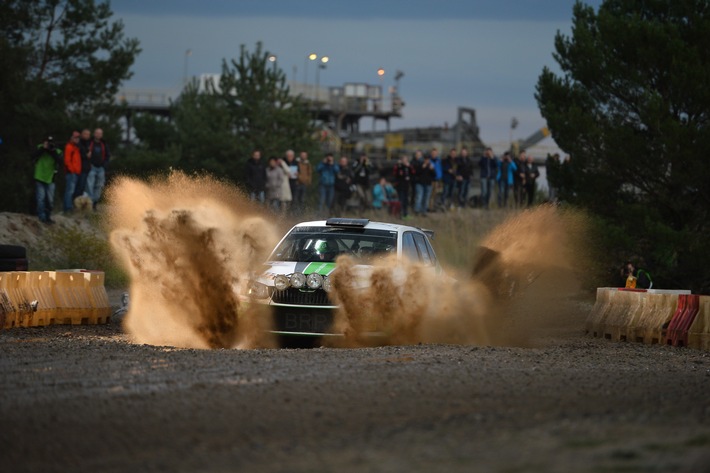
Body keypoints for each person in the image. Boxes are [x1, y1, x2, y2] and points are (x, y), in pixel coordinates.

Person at [32, 135, 63, 224]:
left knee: (50, 200)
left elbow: (60, 162)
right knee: (40, 198)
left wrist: (51, 151)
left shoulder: (57, 151)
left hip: (51, 178)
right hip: (39, 176)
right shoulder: (39, 148)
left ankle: (48, 216)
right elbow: (32, 156)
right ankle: (42, 217)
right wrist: (43, 149)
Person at [85, 128, 110, 210]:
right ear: (94, 134)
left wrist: (104, 165)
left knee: (99, 186)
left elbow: (107, 155)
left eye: (100, 133)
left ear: (102, 135)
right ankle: (89, 203)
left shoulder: (104, 144)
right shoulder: (90, 142)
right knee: (89, 185)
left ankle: (95, 202)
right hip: (92, 166)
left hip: (101, 168)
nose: (98, 135)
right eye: (97, 133)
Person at [62, 131, 82, 213]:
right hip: (71, 173)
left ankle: (68, 207)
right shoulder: (69, 147)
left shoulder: (76, 148)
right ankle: (67, 208)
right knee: (69, 191)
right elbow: (67, 160)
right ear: (71, 138)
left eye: (78, 138)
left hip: (76, 172)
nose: (77, 139)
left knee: (71, 191)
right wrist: (71, 170)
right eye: (75, 137)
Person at [392, 155, 413, 219]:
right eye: (404, 160)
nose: (405, 161)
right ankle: (400, 214)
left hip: (406, 186)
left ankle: (405, 214)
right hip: (400, 186)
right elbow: (395, 173)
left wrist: (409, 166)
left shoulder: (408, 167)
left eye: (406, 160)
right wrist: (398, 165)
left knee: (406, 201)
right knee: (401, 200)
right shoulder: (399, 166)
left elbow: (413, 172)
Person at [74, 128, 92, 199]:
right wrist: (86, 156)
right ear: (82, 134)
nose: (87, 136)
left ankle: (81, 204)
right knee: (79, 186)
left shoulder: (89, 143)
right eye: (85, 134)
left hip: (87, 168)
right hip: (80, 168)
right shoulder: (79, 143)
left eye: (88, 134)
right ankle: (75, 202)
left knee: (83, 187)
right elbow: (78, 155)